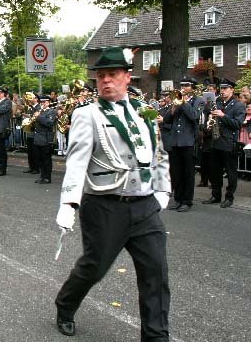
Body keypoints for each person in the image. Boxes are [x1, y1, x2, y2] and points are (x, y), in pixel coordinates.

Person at [54, 47, 171, 340]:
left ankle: (156, 336)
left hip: (145, 206)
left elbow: (158, 153)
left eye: (112, 74)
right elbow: (77, 161)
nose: (105, 80)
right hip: (105, 204)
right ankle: (65, 304)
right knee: (94, 267)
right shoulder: (87, 115)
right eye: (101, 76)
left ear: (127, 77)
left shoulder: (144, 111)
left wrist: (162, 189)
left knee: (155, 274)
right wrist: (68, 203)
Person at [202, 78, 245, 208]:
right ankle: (216, 195)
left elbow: (237, 124)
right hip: (216, 141)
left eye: (225, 88)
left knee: (231, 173)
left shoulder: (238, 105)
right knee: (215, 171)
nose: (222, 91)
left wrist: (223, 116)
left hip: (229, 143)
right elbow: (210, 116)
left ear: (232, 89)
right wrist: (210, 120)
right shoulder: (218, 102)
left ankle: (229, 197)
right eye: (221, 88)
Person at [162, 77, 204, 212]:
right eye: (182, 85)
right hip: (175, 141)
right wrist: (174, 107)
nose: (183, 88)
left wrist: (183, 102)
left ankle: (187, 201)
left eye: (186, 85)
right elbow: (167, 120)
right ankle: (178, 199)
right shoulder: (177, 100)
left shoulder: (198, 101)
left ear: (192, 87)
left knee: (188, 173)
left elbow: (194, 116)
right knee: (176, 172)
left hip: (188, 141)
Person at [32, 95, 57, 184]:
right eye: (41, 102)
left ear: (48, 102)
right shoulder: (40, 111)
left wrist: (38, 116)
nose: (42, 104)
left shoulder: (52, 111)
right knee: (40, 159)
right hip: (38, 138)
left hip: (46, 138)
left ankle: (47, 177)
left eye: (44, 102)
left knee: (46, 159)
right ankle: (42, 176)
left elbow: (49, 123)